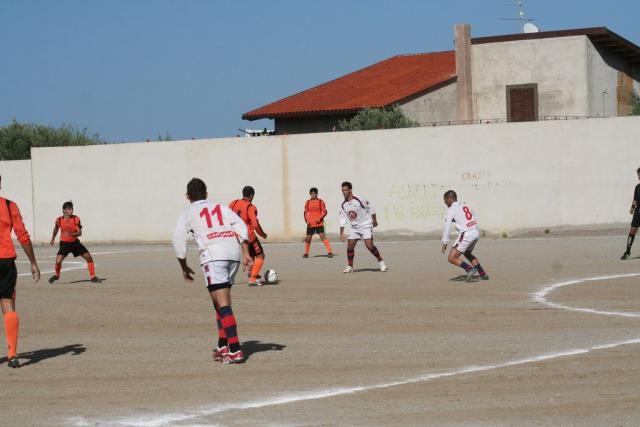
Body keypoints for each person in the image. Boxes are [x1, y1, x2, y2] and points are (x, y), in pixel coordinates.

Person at [173, 178, 253, 364]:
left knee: (223, 304)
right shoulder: (220, 207)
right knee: (219, 302)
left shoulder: (187, 212)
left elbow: (178, 240)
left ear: (187, 196)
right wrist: (245, 251)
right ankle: (223, 344)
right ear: (206, 194)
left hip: (213, 256)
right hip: (232, 254)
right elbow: (240, 225)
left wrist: (183, 266)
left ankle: (235, 349)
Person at [0, 175, 41, 368]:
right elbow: (22, 236)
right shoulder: (10, 206)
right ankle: (12, 355)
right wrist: (33, 262)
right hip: (6, 261)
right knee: (8, 305)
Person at [339, 181, 387, 273]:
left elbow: (370, 208)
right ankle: (350, 266)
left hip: (365, 225)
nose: (344, 192)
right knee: (350, 247)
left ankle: (381, 262)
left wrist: (374, 220)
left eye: (345, 190)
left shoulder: (359, 199)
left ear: (350, 190)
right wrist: (341, 233)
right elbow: (342, 220)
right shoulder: (343, 205)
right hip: (354, 227)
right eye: (342, 190)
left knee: (369, 246)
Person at [441, 190, 489, 282]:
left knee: (451, 258)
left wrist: (444, 242)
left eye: (445, 200)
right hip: (475, 232)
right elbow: (473, 217)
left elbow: (447, 226)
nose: (444, 202)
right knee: (467, 253)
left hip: (466, 234)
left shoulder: (451, 210)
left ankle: (469, 269)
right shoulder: (465, 205)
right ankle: (482, 273)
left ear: (450, 198)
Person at [48, 201, 100, 283]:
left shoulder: (76, 219)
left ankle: (93, 276)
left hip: (75, 243)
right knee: (58, 261)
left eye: (72, 209)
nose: (71, 211)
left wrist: (73, 234)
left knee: (89, 258)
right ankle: (57, 275)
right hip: (64, 244)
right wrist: (52, 239)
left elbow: (80, 233)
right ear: (64, 210)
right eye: (69, 209)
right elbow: (56, 229)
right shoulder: (59, 220)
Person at [229, 186, 267, 286]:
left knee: (251, 255)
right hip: (248, 236)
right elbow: (255, 224)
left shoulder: (233, 203)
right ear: (251, 196)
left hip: (235, 235)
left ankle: (251, 273)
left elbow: (227, 217)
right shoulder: (250, 207)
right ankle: (253, 279)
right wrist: (262, 234)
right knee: (260, 255)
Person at [303, 187, 333, 258]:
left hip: (319, 223)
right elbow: (305, 212)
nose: (313, 194)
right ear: (310, 194)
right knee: (308, 238)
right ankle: (306, 253)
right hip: (310, 224)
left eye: (314, 193)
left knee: (322, 236)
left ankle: (329, 251)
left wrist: (320, 218)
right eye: (312, 193)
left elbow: (325, 212)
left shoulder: (320, 201)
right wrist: (307, 220)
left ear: (317, 194)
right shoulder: (308, 202)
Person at [621, 167, 640, 260]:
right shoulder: (637, 187)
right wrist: (632, 208)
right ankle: (627, 252)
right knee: (632, 230)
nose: (639, 176)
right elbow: (635, 200)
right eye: (639, 175)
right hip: (638, 212)